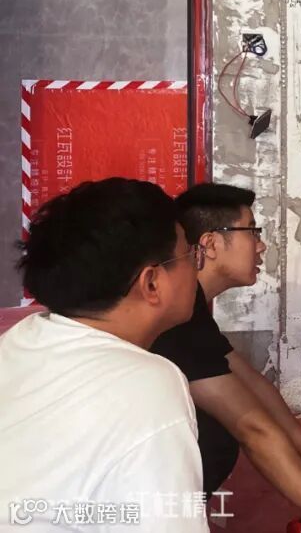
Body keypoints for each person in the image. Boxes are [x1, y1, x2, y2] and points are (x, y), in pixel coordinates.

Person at [0, 178, 208, 531]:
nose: (196, 268)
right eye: (190, 254)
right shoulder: (147, 384)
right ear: (152, 283)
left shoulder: (19, 340)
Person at [151, 184, 301, 533]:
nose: (261, 245)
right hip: (137, 508)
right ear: (210, 244)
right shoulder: (178, 320)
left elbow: (252, 383)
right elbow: (252, 427)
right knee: (216, 428)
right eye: (252, 231)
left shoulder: (193, 308)